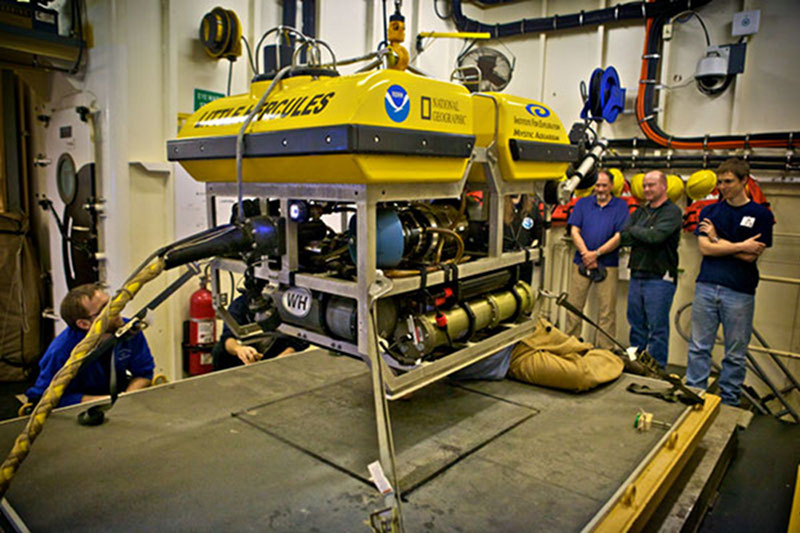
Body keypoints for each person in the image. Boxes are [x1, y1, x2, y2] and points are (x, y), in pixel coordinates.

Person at [685, 158, 773, 406]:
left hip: (740, 291)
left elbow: (750, 255)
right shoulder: (709, 211)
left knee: (735, 353)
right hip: (706, 285)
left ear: (744, 181)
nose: (723, 187)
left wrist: (718, 241)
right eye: (720, 182)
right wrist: (738, 244)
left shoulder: (761, 215)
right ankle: (695, 394)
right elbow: (705, 249)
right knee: (699, 346)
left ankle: (729, 402)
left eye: (729, 182)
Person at [26, 283, 154, 407]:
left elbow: (144, 372)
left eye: (112, 302)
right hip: (81, 408)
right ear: (84, 324)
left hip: (119, 399)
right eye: (105, 308)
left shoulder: (129, 330)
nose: (117, 309)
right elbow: (41, 398)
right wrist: (107, 402)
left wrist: (126, 400)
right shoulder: (60, 351)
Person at [619, 170, 683, 368]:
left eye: (651, 185)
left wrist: (636, 231)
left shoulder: (672, 212)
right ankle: (635, 365)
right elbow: (624, 236)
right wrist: (642, 233)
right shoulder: (640, 212)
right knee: (636, 325)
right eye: (645, 185)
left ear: (663, 186)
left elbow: (656, 238)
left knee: (657, 329)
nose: (646, 189)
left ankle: (657, 370)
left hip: (660, 277)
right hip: (637, 273)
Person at [564, 170, 630, 348]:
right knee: (574, 307)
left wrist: (597, 254)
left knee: (607, 312)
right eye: (597, 185)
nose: (600, 189)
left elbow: (619, 236)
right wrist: (586, 254)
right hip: (581, 262)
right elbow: (574, 231)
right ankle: (571, 345)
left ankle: (605, 351)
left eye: (604, 185)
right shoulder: (582, 204)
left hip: (607, 264)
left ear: (611, 186)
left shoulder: (620, 207)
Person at [212, 294, 309, 369]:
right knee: (219, 350)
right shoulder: (240, 304)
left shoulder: (290, 306)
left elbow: (302, 339)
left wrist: (285, 356)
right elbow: (227, 337)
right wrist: (239, 349)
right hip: (247, 359)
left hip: (281, 357)